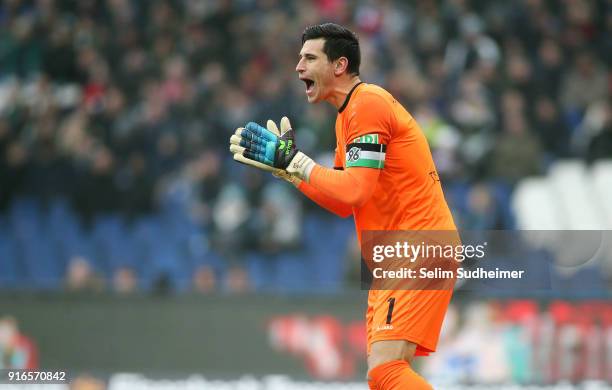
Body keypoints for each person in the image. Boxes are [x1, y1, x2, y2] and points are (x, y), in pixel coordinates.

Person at [229, 23, 456, 389]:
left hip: (416, 244)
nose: (298, 67)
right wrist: (291, 173)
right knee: (384, 376)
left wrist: (297, 162)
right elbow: (340, 203)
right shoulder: (347, 117)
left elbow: (354, 192)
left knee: (386, 372)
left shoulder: (368, 103)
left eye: (309, 57)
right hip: (398, 251)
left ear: (339, 65)